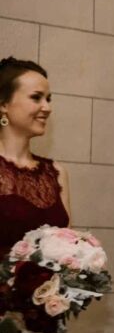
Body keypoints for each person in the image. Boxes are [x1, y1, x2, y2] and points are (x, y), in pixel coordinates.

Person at [0, 57, 70, 256]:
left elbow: (68, 250)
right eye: (36, 97)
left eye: (48, 99)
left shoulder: (57, 173)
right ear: (4, 104)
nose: (47, 108)